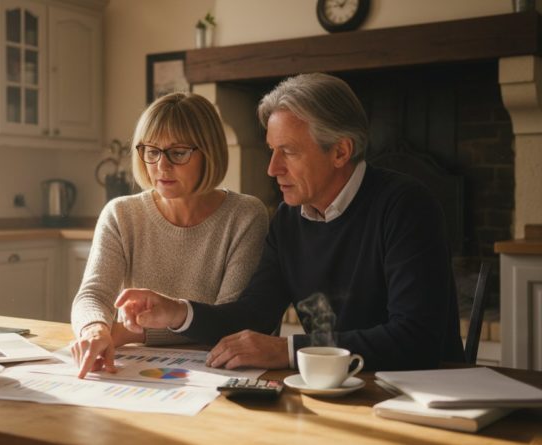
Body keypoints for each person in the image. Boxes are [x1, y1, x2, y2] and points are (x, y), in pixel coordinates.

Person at [115, 73, 464, 372]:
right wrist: (176, 312)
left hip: (415, 398)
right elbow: (251, 316)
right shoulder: (288, 219)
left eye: (289, 152)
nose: (272, 168)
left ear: (341, 152)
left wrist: (288, 351)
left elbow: (416, 339)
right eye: (271, 150)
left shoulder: (407, 206)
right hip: (327, 390)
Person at [70, 92, 269, 378]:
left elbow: (231, 323)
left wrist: (128, 333)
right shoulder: (121, 214)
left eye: (178, 153)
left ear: (209, 151)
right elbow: (93, 295)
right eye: (151, 151)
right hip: (142, 372)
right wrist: (95, 329)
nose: (161, 166)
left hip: (215, 375)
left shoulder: (245, 215)